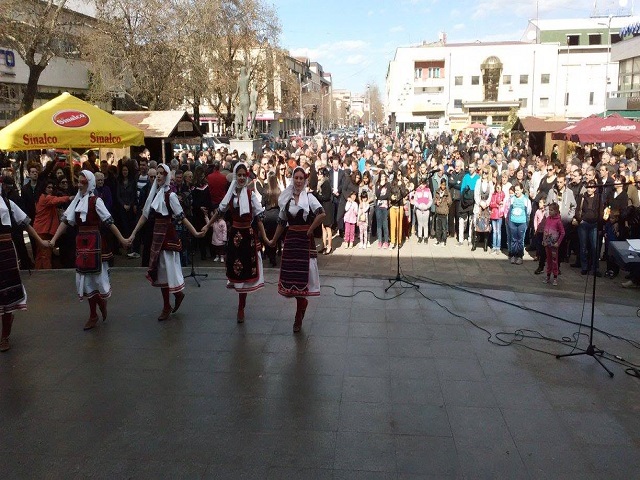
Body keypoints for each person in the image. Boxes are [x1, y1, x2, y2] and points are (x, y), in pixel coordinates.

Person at [50, 171, 129, 330]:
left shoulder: (96, 201)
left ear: (90, 184)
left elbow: (109, 222)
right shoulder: (77, 201)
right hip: (82, 243)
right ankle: (94, 312)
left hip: (96, 244)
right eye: (78, 182)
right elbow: (65, 222)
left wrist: (122, 239)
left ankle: (99, 305)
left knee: (96, 280)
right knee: (84, 281)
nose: (79, 185)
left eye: (83, 182)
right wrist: (53, 240)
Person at [128, 164, 203, 321]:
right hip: (157, 235)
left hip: (168, 236)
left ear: (167, 176)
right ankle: (167, 304)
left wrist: (195, 232)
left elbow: (181, 216)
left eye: (162, 174)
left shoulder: (171, 195)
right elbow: (145, 215)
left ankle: (176, 296)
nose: (159, 176)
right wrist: (133, 233)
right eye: (158, 174)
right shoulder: (155, 194)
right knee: (160, 272)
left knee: (168, 270)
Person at [202, 163, 268, 323]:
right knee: (237, 270)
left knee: (246, 270)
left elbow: (259, 217)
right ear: (235, 176)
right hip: (235, 236)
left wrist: (266, 238)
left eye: (244, 175)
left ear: (247, 177)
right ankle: (240, 307)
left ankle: (241, 307)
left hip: (248, 236)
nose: (241, 178)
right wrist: (207, 225)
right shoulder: (230, 194)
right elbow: (220, 211)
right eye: (239, 175)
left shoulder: (250, 193)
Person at [266, 166, 326, 333]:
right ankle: (301, 308)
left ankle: (298, 316)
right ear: (292, 179)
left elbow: (322, 214)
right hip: (291, 241)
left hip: (305, 242)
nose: (298, 181)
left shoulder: (309, 197)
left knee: (302, 278)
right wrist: (273, 240)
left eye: (301, 178)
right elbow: (281, 222)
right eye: (296, 178)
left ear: (305, 180)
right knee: (294, 279)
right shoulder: (286, 199)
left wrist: (310, 229)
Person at [0, 184, 48, 351]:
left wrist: (40, 242)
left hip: (5, 250)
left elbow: (26, 223)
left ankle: (4, 335)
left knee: (7, 294)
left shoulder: (7, 203)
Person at [33, 179, 73, 269]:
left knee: (41, 254)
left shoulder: (42, 197)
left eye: (52, 187)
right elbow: (56, 200)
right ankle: (46, 275)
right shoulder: (45, 198)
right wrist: (69, 198)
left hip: (42, 229)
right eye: (48, 187)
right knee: (45, 255)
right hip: (43, 230)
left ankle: (39, 273)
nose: (51, 189)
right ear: (44, 188)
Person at [506, 183, 531, 265]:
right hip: (513, 221)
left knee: (520, 240)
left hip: (522, 222)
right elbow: (509, 210)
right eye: (515, 190)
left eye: (517, 190)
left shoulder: (526, 200)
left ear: (521, 190)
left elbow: (528, 212)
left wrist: (526, 222)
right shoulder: (512, 199)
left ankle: (520, 256)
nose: (516, 192)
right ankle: (513, 255)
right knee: (513, 239)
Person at [542, 202, 565, 286]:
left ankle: (555, 277)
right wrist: (544, 240)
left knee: (554, 261)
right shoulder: (548, 219)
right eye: (549, 210)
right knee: (548, 260)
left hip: (554, 244)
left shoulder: (558, 221)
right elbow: (545, 230)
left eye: (551, 210)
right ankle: (548, 276)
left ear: (556, 211)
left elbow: (562, 233)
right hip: (547, 243)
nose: (550, 212)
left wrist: (558, 243)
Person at [315, 167, 334, 254]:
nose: (318, 175)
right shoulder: (321, 183)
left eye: (319, 173)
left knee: (327, 227)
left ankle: (329, 246)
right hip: (323, 207)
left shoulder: (326, 183)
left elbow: (326, 197)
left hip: (327, 207)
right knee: (323, 227)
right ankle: (324, 245)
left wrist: (317, 195)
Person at [413, 175, 433, 243]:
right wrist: (418, 206)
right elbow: (415, 200)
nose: (422, 185)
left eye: (423, 184)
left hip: (426, 209)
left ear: (425, 184)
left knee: (425, 223)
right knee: (420, 223)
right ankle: (420, 236)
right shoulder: (417, 191)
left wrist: (427, 206)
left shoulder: (428, 191)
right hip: (419, 209)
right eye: (421, 183)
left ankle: (426, 236)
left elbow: (430, 200)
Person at [375, 171, 390, 248]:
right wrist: (381, 186)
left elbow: (387, 195)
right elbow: (377, 194)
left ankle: (386, 241)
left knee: (385, 224)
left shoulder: (388, 184)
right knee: (379, 224)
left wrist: (380, 197)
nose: (383, 178)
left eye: (384, 176)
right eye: (382, 176)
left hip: (385, 206)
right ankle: (380, 241)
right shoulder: (377, 184)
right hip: (378, 206)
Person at [434, 178, 452, 246]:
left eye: (444, 185)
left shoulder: (447, 192)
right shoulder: (437, 191)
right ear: (440, 184)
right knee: (438, 228)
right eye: (442, 185)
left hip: (444, 212)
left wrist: (448, 201)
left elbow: (450, 202)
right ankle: (438, 239)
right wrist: (436, 202)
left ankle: (444, 240)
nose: (443, 186)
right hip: (438, 211)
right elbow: (434, 200)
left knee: (444, 228)